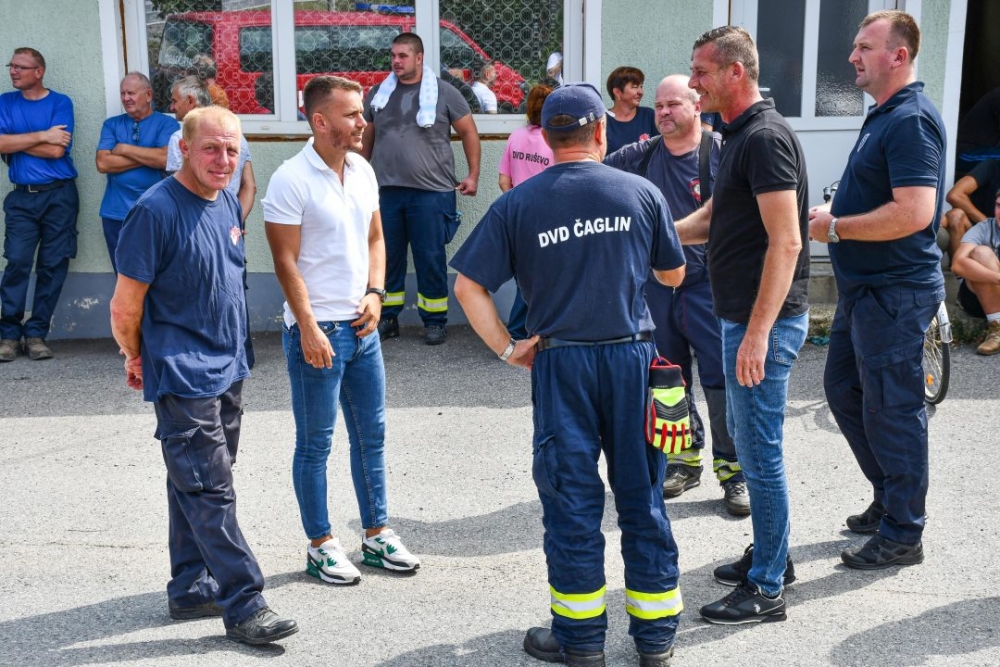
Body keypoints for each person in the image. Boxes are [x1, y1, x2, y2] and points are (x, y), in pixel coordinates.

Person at [452, 83, 687, 667]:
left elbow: (467, 287)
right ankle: (655, 640)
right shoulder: (641, 192)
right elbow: (674, 275)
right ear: (601, 131)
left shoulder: (518, 204)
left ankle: (580, 643)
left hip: (560, 363)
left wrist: (509, 350)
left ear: (546, 137)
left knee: (571, 503)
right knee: (644, 497)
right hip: (634, 362)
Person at [109, 106, 297, 645]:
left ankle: (192, 585)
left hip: (228, 367)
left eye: (233, 150)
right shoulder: (154, 211)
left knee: (194, 482)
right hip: (183, 371)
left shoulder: (224, 204)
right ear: (184, 150)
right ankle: (244, 602)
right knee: (210, 488)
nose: (224, 159)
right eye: (212, 148)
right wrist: (135, 354)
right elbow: (125, 307)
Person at [675, 26, 810, 624]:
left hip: (763, 325)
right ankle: (774, 554)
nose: (692, 82)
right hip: (740, 318)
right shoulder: (731, 137)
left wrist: (757, 334)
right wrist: (654, 233)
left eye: (701, 72)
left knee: (759, 457)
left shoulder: (764, 138)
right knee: (758, 451)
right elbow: (716, 218)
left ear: (736, 73)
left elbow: (786, 242)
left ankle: (767, 589)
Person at [263, 76, 421, 585]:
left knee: (371, 437)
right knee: (315, 444)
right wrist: (307, 326)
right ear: (320, 121)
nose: (362, 122)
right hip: (318, 333)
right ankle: (321, 544)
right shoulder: (291, 179)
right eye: (352, 114)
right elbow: (284, 262)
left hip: (362, 325)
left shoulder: (362, 169)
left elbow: (377, 238)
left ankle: (376, 535)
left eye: (361, 113)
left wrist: (376, 293)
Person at [807, 10, 945, 572]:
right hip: (864, 288)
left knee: (893, 408)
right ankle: (890, 497)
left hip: (894, 292)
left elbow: (915, 212)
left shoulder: (910, 120)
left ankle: (904, 533)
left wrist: (836, 227)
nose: (852, 57)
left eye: (864, 47)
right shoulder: (882, 115)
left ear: (899, 55)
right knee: (843, 390)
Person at [604, 74, 747, 516]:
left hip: (711, 287)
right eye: (660, 105)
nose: (663, 112)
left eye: (673, 104)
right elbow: (590, 170)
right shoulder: (638, 155)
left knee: (722, 380)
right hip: (657, 289)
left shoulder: (721, 153)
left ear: (696, 106)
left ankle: (734, 469)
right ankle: (684, 460)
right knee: (668, 380)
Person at [361, 32, 481, 346]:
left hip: (433, 192)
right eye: (393, 56)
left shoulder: (445, 93)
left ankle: (435, 321)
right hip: (386, 191)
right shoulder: (378, 94)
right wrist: (356, 178)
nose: (396, 61)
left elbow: (469, 132)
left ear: (419, 58)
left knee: (430, 257)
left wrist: (473, 174)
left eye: (403, 55)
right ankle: (387, 318)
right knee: (387, 257)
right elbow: (366, 140)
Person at [0, 47, 79, 362]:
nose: (13, 71)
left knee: (52, 265)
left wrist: (17, 141)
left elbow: (56, 152)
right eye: (11, 65)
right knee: (17, 261)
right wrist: (42, 135)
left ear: (39, 71)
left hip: (59, 195)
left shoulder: (60, 103)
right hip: (21, 197)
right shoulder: (5, 102)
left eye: (21, 66)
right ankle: (8, 334)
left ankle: (35, 334)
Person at [96, 72, 178, 272]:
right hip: (116, 214)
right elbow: (103, 163)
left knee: (156, 274)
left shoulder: (167, 124)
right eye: (122, 93)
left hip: (155, 213)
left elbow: (165, 159)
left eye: (131, 93)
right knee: (124, 276)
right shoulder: (111, 124)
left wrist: (125, 149)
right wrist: (148, 156)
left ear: (148, 95)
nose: (125, 98)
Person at [498, 83, 554, 339]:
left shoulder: (516, 136)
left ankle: (521, 328)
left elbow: (504, 181)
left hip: (519, 214)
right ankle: (521, 329)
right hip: (546, 215)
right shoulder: (552, 141)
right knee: (543, 274)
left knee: (525, 273)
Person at [166, 75, 256, 222]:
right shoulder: (236, 137)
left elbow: (178, 192)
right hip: (231, 223)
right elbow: (250, 186)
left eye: (175, 101)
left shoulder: (180, 138)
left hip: (193, 225)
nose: (172, 107)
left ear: (190, 100)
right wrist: (236, 223)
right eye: (210, 148)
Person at [952, 189, 1000, 354]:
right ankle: (997, 327)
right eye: (999, 206)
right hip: (977, 298)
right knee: (981, 253)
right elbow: (957, 264)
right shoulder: (984, 228)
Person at [943, 158, 1000, 260]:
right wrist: (987, 224)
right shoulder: (992, 166)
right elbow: (955, 195)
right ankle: (960, 274)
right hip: (979, 229)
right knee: (955, 215)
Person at [605, 66, 657, 154]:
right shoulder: (602, 121)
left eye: (641, 87)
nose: (641, 92)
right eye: (635, 87)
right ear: (618, 92)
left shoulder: (649, 116)